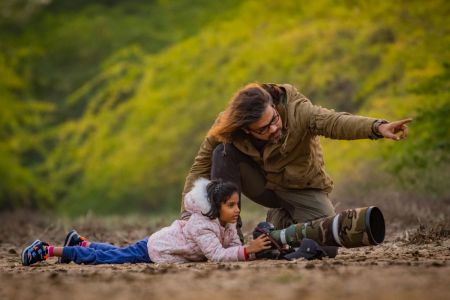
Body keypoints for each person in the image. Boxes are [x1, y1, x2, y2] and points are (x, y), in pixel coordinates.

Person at [181, 83, 411, 234]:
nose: (273, 128)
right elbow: (199, 169)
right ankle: (227, 234)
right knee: (222, 153)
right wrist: (187, 219)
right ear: (246, 129)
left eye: (274, 119)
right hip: (264, 186)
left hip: (303, 188)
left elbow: (335, 122)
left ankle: (277, 228)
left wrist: (377, 127)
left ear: (273, 106)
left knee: (326, 242)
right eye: (263, 129)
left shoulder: (298, 111)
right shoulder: (228, 126)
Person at [21, 179, 272, 266]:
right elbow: (217, 255)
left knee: (118, 253)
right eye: (231, 205)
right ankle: (48, 250)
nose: (237, 210)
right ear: (216, 208)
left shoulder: (225, 224)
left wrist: (250, 250)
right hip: (156, 250)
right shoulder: (201, 224)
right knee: (109, 259)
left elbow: (233, 247)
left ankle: (80, 243)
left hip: (157, 248)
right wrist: (248, 251)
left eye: (238, 204)